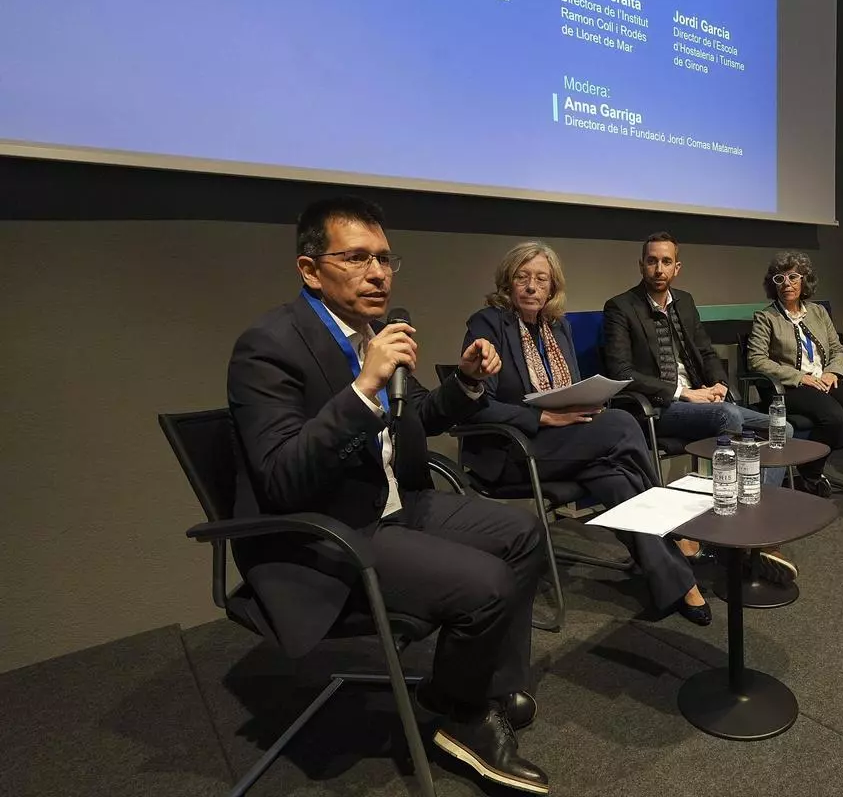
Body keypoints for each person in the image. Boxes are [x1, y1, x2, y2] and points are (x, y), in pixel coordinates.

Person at [227, 197, 549, 794]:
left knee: (524, 532)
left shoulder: (371, 334)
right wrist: (361, 388)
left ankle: (484, 686)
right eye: (357, 258)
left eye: (384, 258)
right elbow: (279, 478)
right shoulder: (268, 346)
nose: (378, 273)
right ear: (310, 269)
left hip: (396, 505)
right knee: (487, 584)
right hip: (328, 532)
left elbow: (417, 413)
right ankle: (462, 716)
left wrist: (467, 382)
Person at [461, 241, 711, 626]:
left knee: (618, 478)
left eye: (541, 279)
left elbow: (575, 390)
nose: (531, 286)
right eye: (522, 277)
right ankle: (671, 529)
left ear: (552, 286)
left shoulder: (557, 326)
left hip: (566, 444)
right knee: (623, 423)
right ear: (507, 282)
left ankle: (675, 582)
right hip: (512, 450)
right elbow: (477, 404)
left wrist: (587, 402)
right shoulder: (488, 323)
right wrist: (543, 416)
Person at [603, 231, 796, 583]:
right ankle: (738, 531)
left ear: (677, 268)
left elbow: (706, 352)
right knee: (728, 415)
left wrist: (719, 383)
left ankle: (751, 524)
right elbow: (621, 373)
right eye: (652, 261)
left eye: (666, 262)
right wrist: (684, 393)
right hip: (658, 408)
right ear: (641, 265)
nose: (659, 269)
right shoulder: (620, 307)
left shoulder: (685, 302)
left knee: (782, 428)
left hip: (703, 401)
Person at [746, 251, 843, 501]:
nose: (786, 284)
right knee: (834, 417)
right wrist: (799, 377)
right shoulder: (766, 318)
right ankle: (810, 473)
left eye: (793, 277)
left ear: (804, 280)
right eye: (779, 279)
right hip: (791, 387)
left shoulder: (818, 312)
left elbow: (838, 350)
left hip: (825, 379)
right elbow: (757, 360)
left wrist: (832, 372)